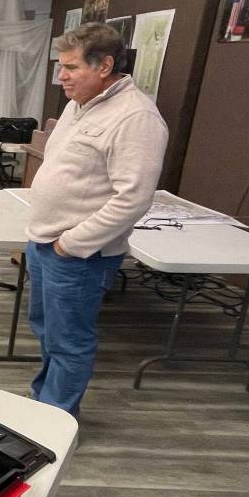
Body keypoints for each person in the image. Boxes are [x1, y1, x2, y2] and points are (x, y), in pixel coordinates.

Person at [26, 22, 168, 417]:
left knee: (69, 340)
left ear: (105, 66)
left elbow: (133, 199)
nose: (61, 77)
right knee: (46, 330)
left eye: (70, 67)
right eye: (60, 66)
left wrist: (69, 244)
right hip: (44, 244)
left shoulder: (135, 117)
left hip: (76, 255)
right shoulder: (78, 105)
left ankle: (55, 417)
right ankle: (43, 401)